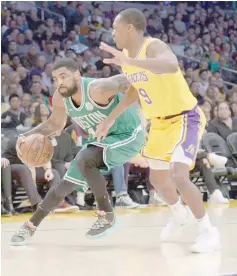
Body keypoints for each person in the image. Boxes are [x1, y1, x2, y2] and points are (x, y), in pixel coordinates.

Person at [94, 8, 220, 253]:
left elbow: (171, 66)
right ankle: (179, 214)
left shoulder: (152, 46)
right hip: (160, 123)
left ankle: (208, 231)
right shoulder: (128, 56)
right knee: (157, 179)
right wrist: (110, 119)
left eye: (115, 27)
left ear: (129, 27)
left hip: (185, 118)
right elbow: (134, 90)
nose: (112, 32)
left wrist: (130, 62)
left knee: (180, 176)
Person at [11, 57, 144, 245]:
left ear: (77, 75)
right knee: (63, 187)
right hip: (100, 142)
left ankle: (106, 214)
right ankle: (30, 226)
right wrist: (25, 136)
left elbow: (135, 81)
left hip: (128, 135)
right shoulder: (60, 97)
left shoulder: (98, 88)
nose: (59, 82)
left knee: (85, 158)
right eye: (55, 79)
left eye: (64, 76)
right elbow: (55, 124)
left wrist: (110, 119)